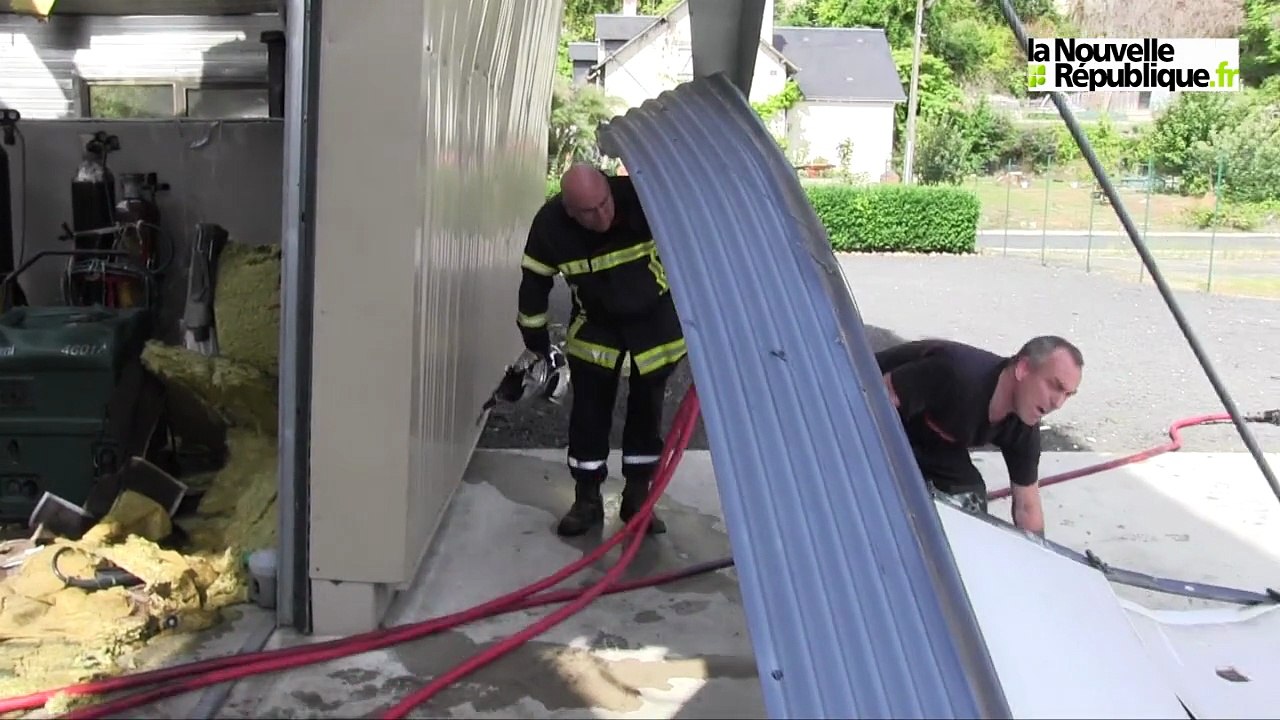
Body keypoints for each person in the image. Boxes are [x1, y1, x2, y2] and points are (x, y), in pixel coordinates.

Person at [515, 163, 686, 537]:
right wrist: (537, 342)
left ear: (609, 188)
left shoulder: (642, 200)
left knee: (648, 415)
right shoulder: (551, 227)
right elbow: (534, 283)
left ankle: (638, 499)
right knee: (589, 416)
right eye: (588, 212)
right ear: (569, 210)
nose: (602, 216)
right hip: (596, 327)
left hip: (653, 327)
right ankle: (586, 500)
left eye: (604, 204)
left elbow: (695, 244)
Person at [876, 335, 1085, 536]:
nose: (1058, 403)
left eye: (1067, 394)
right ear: (1023, 369)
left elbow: (1027, 506)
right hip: (870, 412)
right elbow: (871, 397)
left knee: (969, 500)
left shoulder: (1024, 423)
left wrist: (1040, 558)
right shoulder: (957, 374)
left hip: (931, 436)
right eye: (1054, 386)